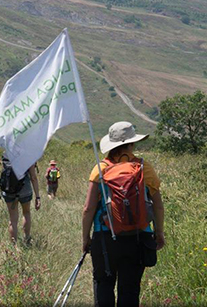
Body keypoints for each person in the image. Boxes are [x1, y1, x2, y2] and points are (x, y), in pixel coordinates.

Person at [82, 121, 165, 307]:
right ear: (132, 144)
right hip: (138, 237)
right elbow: (158, 206)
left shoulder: (99, 169)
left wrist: (86, 239)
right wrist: (159, 233)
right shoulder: (144, 168)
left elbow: (88, 209)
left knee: (104, 285)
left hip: (104, 237)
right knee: (130, 289)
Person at [0, 157, 41, 244]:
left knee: (13, 219)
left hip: (9, 189)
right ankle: (27, 238)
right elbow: (33, 177)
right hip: (25, 188)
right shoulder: (27, 155)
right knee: (26, 213)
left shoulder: (6, 155)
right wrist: (37, 197)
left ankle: (13, 245)